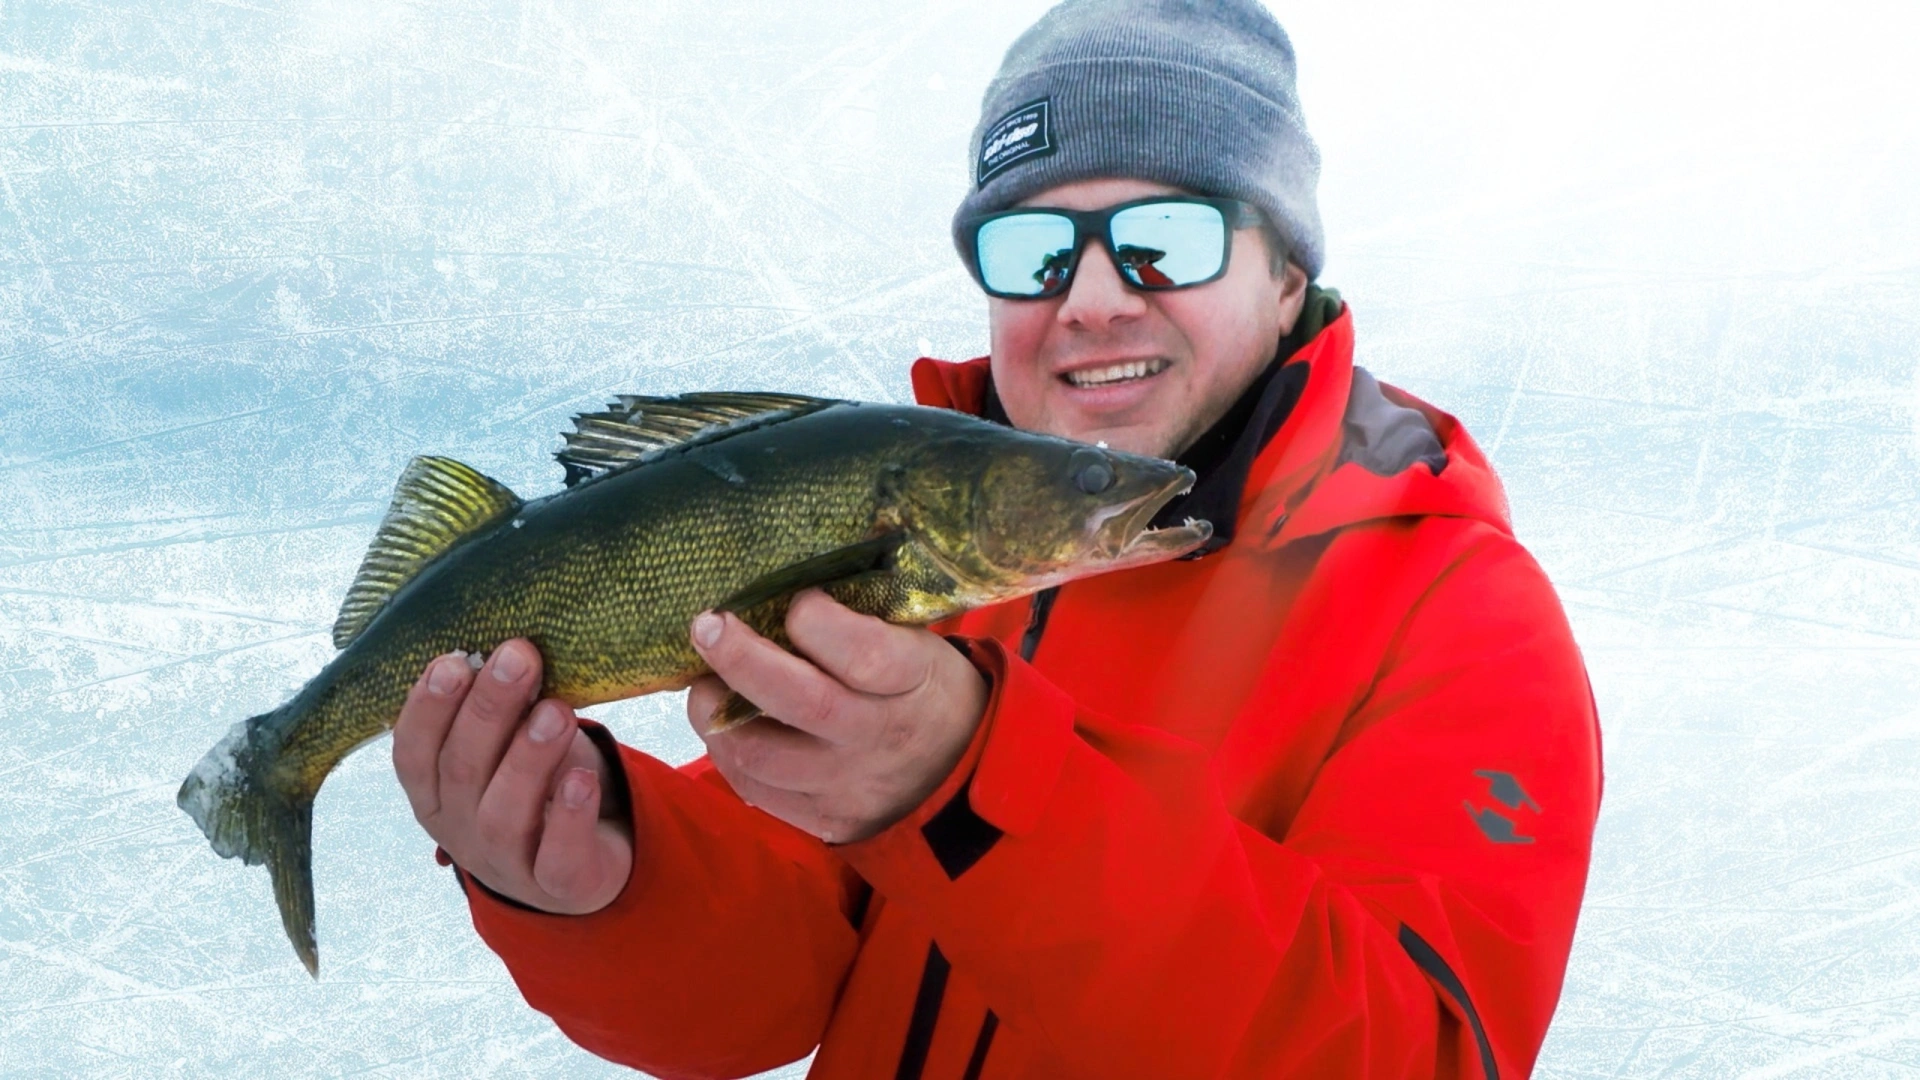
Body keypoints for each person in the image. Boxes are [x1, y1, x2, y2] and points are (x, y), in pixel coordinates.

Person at [389, 1, 1602, 1076]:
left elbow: (1405, 1056)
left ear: (1286, 273)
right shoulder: (944, 553)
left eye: (1164, 237)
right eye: (1031, 249)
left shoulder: (1461, 612)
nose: (1090, 298)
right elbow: (770, 981)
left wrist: (973, 792)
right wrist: (604, 877)